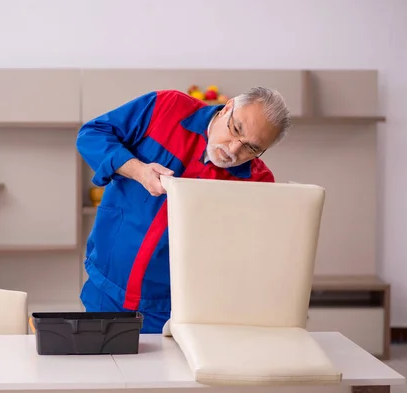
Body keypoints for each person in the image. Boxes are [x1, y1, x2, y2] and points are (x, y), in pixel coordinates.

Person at [76, 87, 291, 333]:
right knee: (101, 369)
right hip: (106, 287)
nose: (233, 150)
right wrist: (138, 170)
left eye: (251, 148)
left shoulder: (258, 183)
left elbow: (243, 261)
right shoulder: (166, 107)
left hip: (175, 312)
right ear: (228, 107)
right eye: (236, 129)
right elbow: (92, 134)